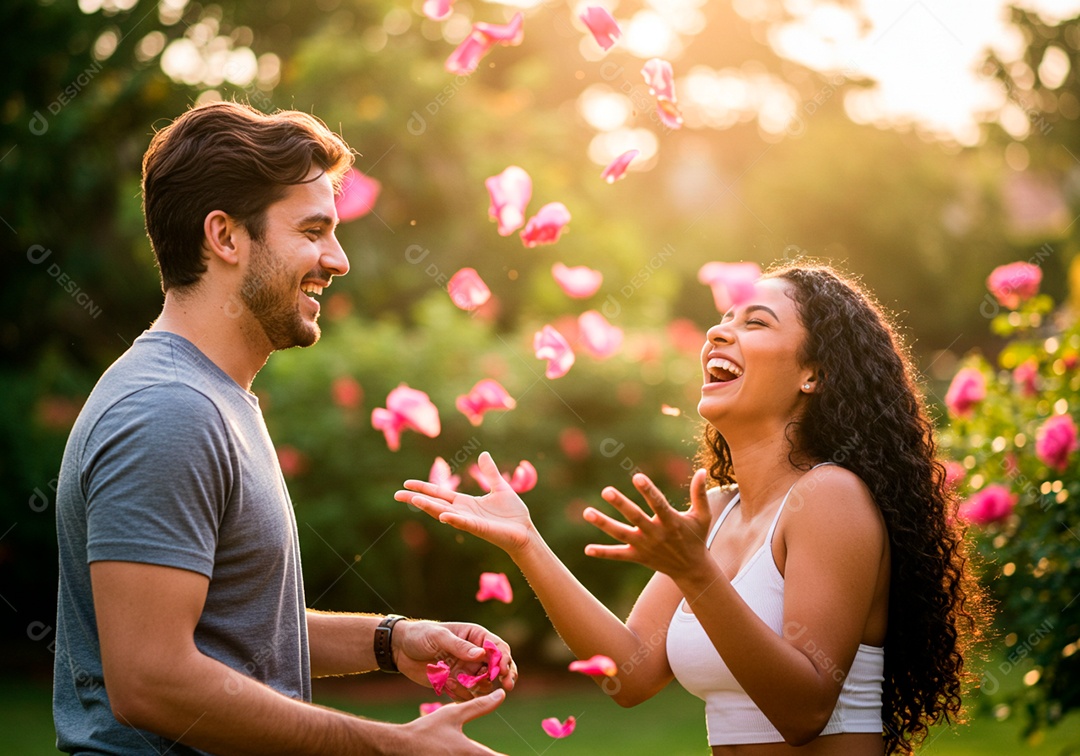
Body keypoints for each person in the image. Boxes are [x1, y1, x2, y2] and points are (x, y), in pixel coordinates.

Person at [54, 100, 516, 756]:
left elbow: (234, 626)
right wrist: (391, 746)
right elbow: (151, 681)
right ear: (226, 237)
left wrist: (390, 640)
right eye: (312, 230)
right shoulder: (167, 411)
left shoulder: (212, 397)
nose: (338, 258)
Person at [397, 263, 985, 755]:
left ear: (815, 374)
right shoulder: (722, 510)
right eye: (723, 318)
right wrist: (526, 542)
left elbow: (805, 709)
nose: (719, 331)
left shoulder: (829, 497)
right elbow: (629, 673)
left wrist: (695, 572)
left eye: (755, 322)